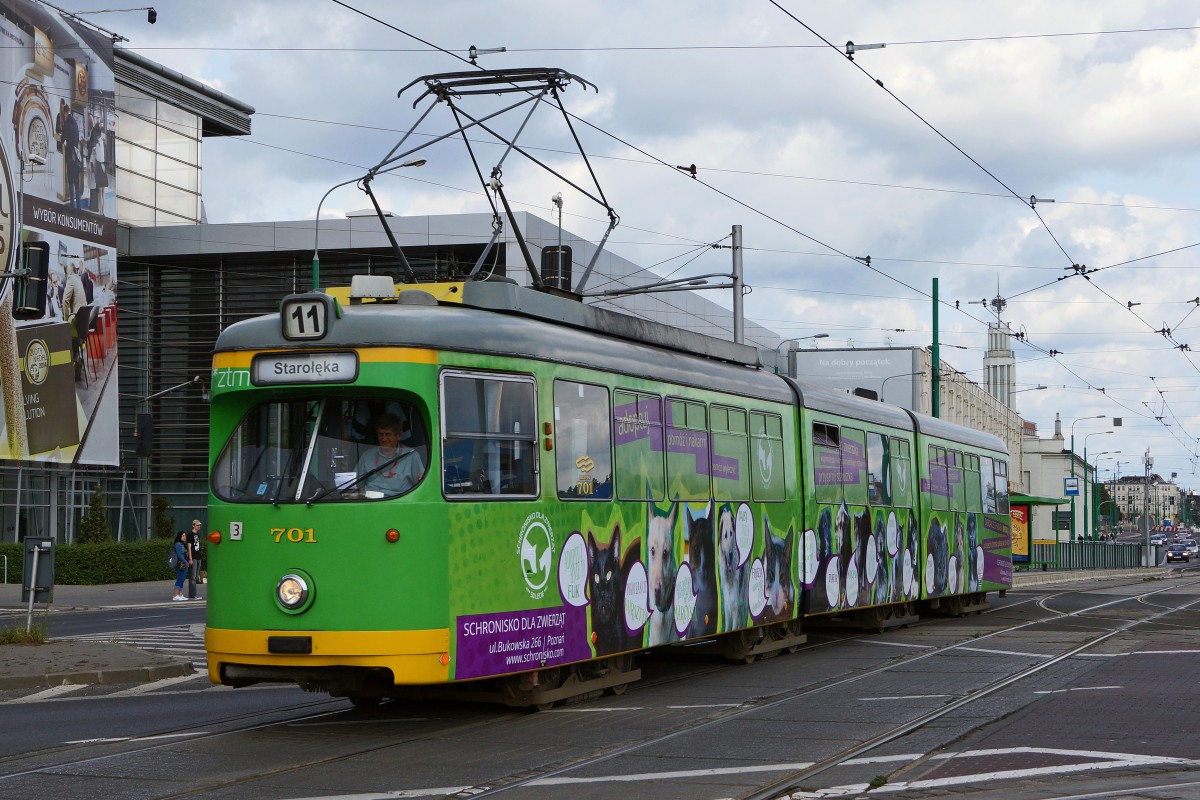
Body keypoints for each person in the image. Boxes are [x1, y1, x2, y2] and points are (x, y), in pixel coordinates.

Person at [355, 412, 425, 497]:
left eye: (388, 434)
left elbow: (421, 486)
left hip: (398, 503)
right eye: (380, 434)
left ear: (399, 435)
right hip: (370, 503)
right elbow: (356, 484)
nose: (384, 439)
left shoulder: (411, 455)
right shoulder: (367, 455)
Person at [186, 519, 202, 600]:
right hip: (194, 557)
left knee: (196, 576)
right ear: (193, 525)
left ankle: (193, 594)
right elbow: (189, 547)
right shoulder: (190, 535)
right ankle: (192, 594)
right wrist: (190, 558)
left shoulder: (198, 535)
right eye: (197, 525)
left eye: (199, 525)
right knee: (192, 576)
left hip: (198, 556)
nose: (199, 526)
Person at [172, 531, 190, 601]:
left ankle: (180, 594)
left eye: (185, 536)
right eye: (183, 536)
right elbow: (179, 555)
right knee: (180, 579)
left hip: (183, 563)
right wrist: (186, 562)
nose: (184, 537)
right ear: (179, 536)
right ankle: (175, 595)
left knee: (182, 579)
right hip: (180, 563)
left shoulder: (182, 544)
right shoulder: (178, 544)